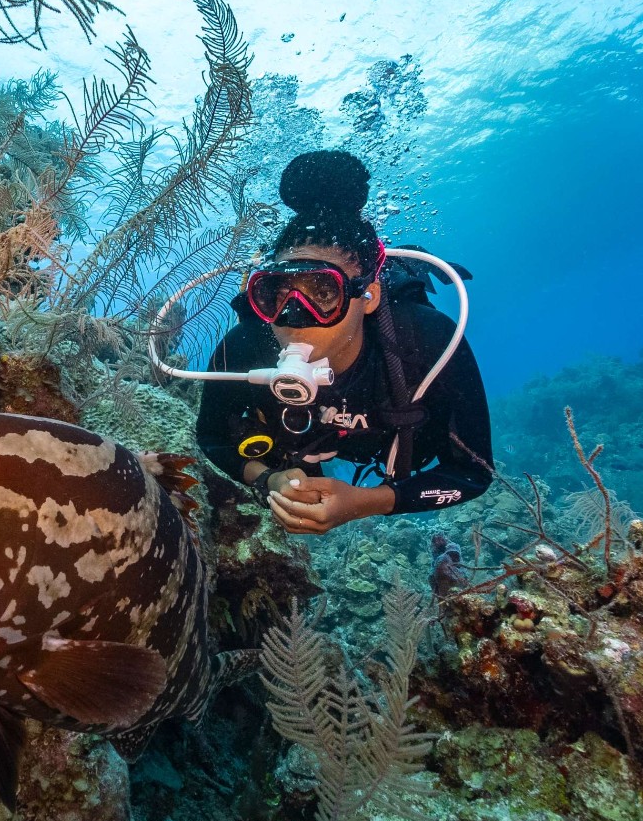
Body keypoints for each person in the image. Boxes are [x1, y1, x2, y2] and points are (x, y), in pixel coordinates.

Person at [195, 150, 493, 535]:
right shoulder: (243, 347)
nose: (294, 316)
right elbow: (211, 436)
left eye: (322, 292)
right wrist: (270, 480)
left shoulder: (428, 342)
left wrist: (367, 502)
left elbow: (474, 473)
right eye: (276, 293)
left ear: (367, 296)